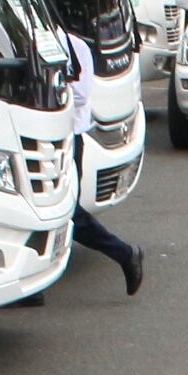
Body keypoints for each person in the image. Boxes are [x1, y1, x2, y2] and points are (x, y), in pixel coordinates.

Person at [61, 29, 144, 293]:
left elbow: (81, 95)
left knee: (67, 211)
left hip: (69, 136)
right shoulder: (31, 44)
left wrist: (44, 92)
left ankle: (124, 253)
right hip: (37, 132)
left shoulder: (76, 47)